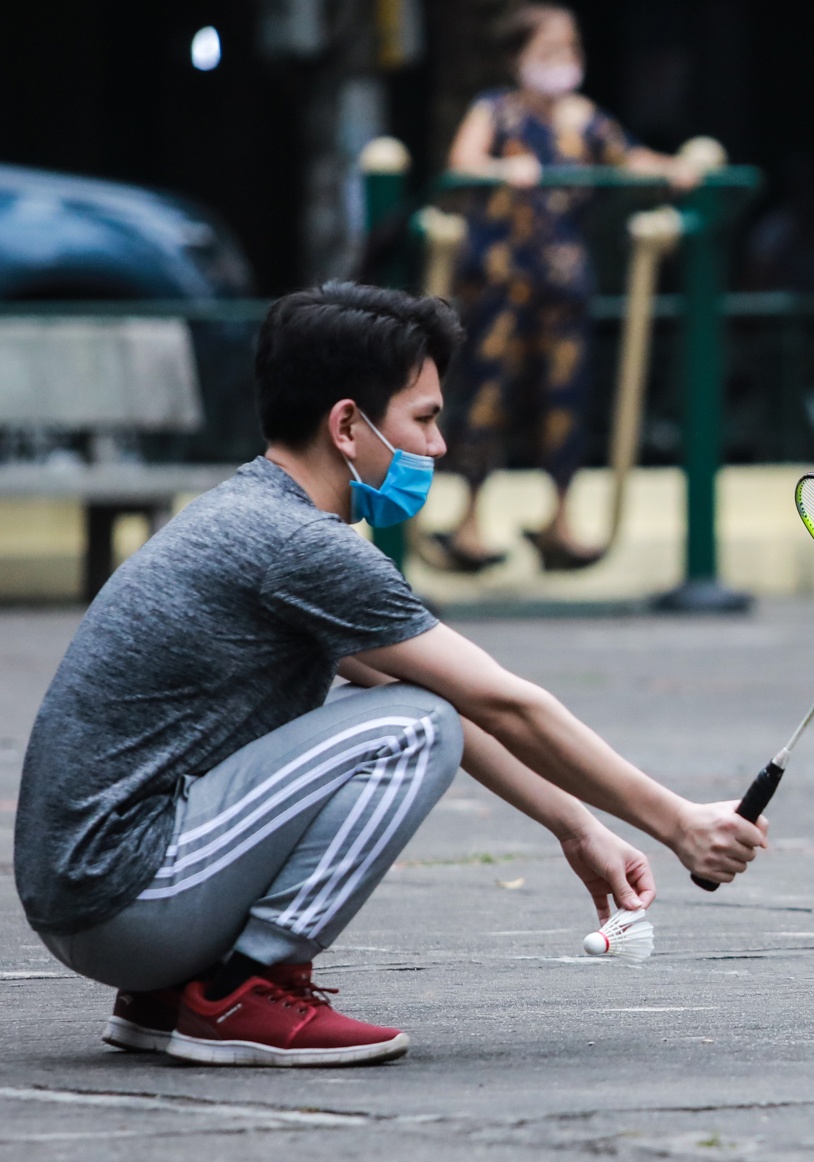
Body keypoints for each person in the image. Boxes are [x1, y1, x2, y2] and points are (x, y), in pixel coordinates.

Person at [13, 282, 766, 1067]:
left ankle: (172, 995)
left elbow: (445, 697)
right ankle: (242, 988)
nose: (437, 446)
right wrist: (677, 823)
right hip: (126, 899)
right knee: (416, 727)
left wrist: (579, 828)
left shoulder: (247, 517)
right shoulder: (300, 546)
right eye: (424, 418)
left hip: (98, 903)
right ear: (346, 425)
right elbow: (501, 702)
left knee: (417, 711)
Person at [434, 3, 700, 572]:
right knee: (487, 395)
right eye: (548, 49)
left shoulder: (587, 119)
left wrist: (675, 168)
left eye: (570, 48)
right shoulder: (495, 110)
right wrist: (504, 171)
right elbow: (463, 161)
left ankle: (560, 520)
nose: (563, 59)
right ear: (517, 56)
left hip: (565, 285)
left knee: (566, 399)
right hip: (500, 283)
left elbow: (630, 159)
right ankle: (469, 522)